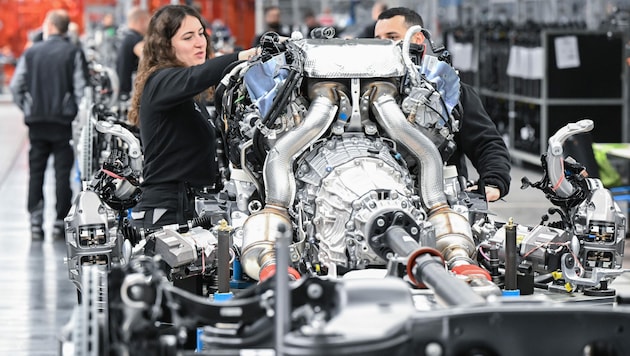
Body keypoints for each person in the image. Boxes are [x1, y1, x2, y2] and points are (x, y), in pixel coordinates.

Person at [127, 4, 260, 232]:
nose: (200, 42)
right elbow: (197, 75)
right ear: (166, 46)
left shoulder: (187, 94)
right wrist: (242, 57)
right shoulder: (161, 82)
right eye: (188, 37)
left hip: (190, 210)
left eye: (201, 34)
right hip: (165, 216)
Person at [374, 7, 511, 202]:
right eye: (377, 39)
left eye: (392, 36)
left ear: (418, 39)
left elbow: (487, 143)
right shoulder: (362, 96)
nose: (384, 45)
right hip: (375, 200)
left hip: (440, 202)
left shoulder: (450, 93)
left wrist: (494, 181)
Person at [10, 9, 88, 240]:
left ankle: (35, 223)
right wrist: (72, 111)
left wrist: (28, 107)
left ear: (51, 26)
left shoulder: (31, 53)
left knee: (36, 172)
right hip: (63, 124)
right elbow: (81, 89)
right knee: (62, 174)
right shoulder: (73, 52)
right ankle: (58, 222)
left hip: (37, 123)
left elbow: (16, 86)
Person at [116, 6, 151, 100]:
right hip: (131, 96)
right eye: (149, 21)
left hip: (124, 94)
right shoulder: (135, 39)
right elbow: (151, 57)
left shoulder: (126, 37)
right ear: (142, 20)